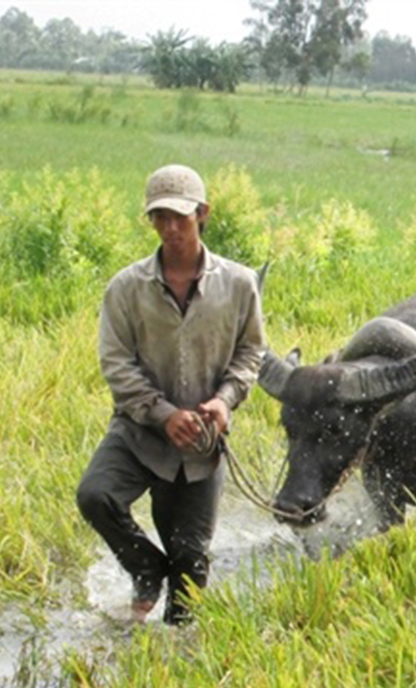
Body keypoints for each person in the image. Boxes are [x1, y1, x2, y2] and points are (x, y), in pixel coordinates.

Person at [76, 164, 266, 625]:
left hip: (201, 442)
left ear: (203, 214)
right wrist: (162, 414)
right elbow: (116, 364)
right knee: (96, 495)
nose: (170, 228)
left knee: (190, 569)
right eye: (160, 217)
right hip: (140, 431)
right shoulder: (126, 288)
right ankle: (145, 566)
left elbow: (251, 352)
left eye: (180, 217)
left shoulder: (238, 284)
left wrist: (224, 400)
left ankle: (175, 665)